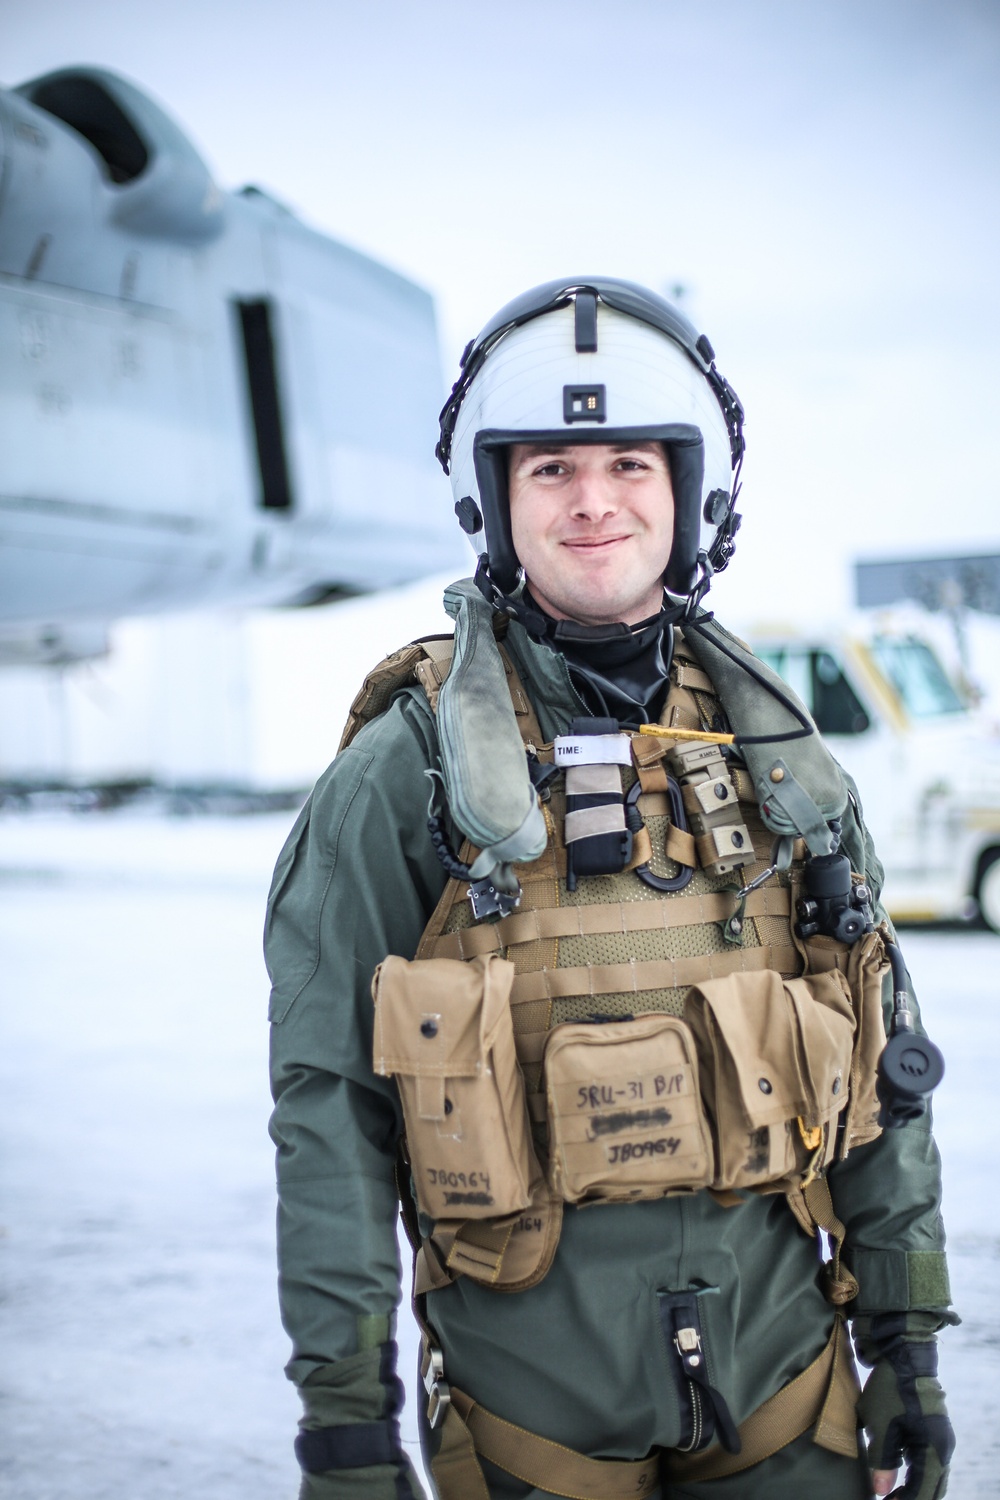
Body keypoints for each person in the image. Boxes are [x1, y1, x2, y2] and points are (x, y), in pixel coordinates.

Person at [266, 279, 956, 1500]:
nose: (594, 501)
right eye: (549, 468)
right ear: (494, 498)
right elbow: (329, 1113)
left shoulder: (780, 762)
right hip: (531, 1406)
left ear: (690, 495)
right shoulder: (409, 771)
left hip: (785, 1382)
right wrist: (344, 1420)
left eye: (631, 462)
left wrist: (906, 1342)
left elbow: (884, 1066)